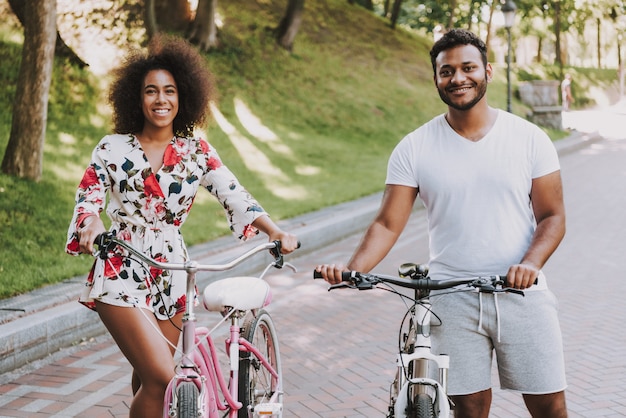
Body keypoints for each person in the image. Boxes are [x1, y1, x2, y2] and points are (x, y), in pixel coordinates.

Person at [315, 29, 568, 418]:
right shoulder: (415, 146)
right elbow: (386, 224)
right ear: (436, 78)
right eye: (446, 71)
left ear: (487, 70)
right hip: (450, 297)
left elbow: (552, 216)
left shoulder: (529, 139)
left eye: (468, 68)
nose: (458, 78)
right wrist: (353, 270)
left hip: (522, 293)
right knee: (467, 408)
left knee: (548, 405)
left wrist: (530, 264)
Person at [65, 35, 298, 418]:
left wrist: (273, 230)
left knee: (146, 378)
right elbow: (90, 195)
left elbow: (234, 193)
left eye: (169, 91)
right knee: (162, 379)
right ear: (135, 98)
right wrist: (90, 224)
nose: (161, 100)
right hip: (120, 264)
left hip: (172, 272)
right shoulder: (113, 148)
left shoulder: (196, 152)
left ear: (183, 96)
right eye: (151, 91)